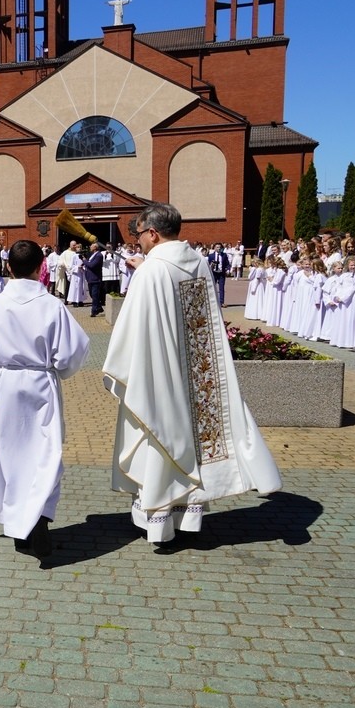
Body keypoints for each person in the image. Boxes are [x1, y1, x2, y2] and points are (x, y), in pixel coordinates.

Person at [102, 203, 282, 544]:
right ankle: (187, 520)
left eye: (138, 234)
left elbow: (132, 332)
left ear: (153, 233)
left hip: (158, 375)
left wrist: (140, 273)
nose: (137, 241)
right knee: (189, 438)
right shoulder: (197, 261)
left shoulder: (150, 271)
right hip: (197, 373)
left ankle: (159, 525)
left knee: (159, 434)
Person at [0, 240, 90, 558]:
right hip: (41, 380)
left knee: (10, 454)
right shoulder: (51, 305)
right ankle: (37, 515)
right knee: (46, 451)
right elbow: (71, 351)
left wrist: (3, 365)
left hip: (8, 383)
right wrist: (59, 370)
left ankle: (17, 523)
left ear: (8, 267)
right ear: (42, 265)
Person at [84, 243, 105, 316]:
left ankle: (94, 311)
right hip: (90, 278)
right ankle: (99, 307)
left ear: (95, 247)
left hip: (95, 278)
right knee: (92, 294)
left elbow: (92, 265)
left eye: (91, 246)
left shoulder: (99, 255)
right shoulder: (92, 255)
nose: (90, 247)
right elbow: (89, 263)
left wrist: (84, 260)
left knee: (95, 295)